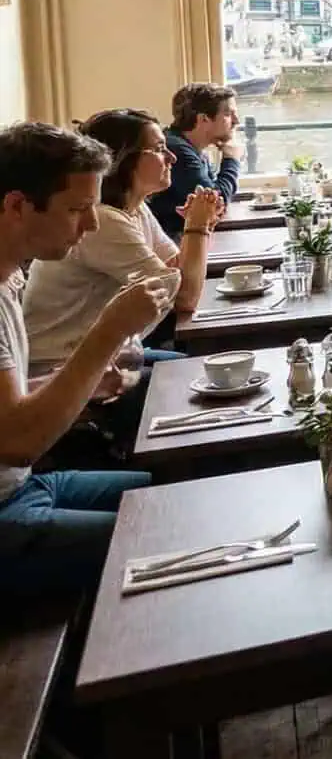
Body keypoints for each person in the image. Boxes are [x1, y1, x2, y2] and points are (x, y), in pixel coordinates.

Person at [0, 122, 172, 599]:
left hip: (23, 487)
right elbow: (18, 441)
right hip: (8, 512)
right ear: (16, 206)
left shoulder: (9, 277)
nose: (92, 224)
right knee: (168, 539)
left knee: (178, 495)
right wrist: (109, 332)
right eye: (77, 209)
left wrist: (82, 377)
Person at [24, 111, 219, 372]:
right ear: (123, 159)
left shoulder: (134, 210)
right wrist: (197, 228)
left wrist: (200, 226)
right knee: (200, 376)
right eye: (160, 149)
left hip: (112, 356)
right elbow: (185, 297)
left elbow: (178, 271)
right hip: (62, 370)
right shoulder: (103, 222)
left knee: (202, 367)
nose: (172, 157)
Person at [149, 83, 241, 238]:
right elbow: (215, 204)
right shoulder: (177, 151)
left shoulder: (194, 149)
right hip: (172, 244)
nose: (236, 121)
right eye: (228, 114)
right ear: (203, 119)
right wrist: (231, 159)